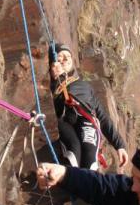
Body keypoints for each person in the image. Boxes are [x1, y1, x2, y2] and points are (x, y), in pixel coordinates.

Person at [48, 42, 128, 171]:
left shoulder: (85, 86)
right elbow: (50, 100)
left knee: (90, 157)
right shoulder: (52, 80)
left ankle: (87, 186)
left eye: (67, 56)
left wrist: (119, 145)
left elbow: (102, 116)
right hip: (65, 119)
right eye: (60, 56)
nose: (64, 59)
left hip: (86, 119)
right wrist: (57, 77)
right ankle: (69, 183)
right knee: (73, 152)